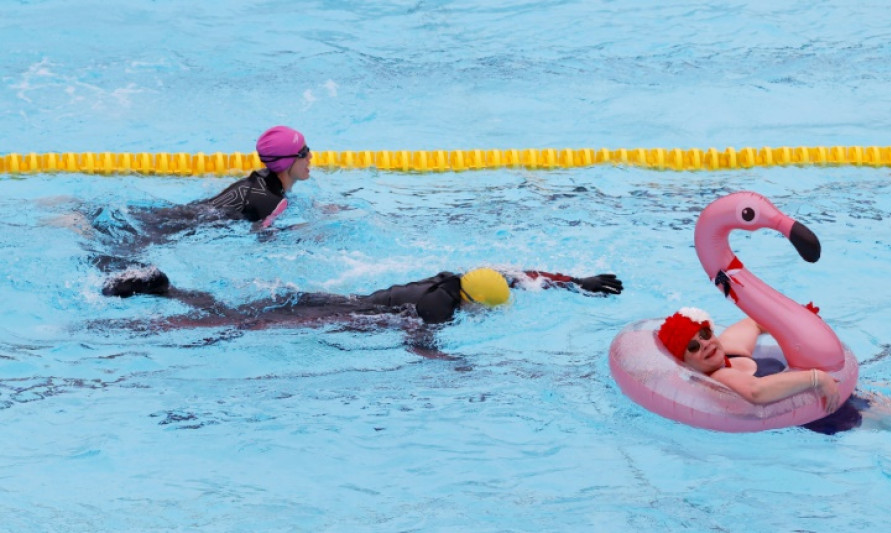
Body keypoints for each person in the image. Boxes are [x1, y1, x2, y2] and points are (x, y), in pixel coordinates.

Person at [98, 266, 623, 355]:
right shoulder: (442, 310)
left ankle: (162, 290)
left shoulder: (454, 279)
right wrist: (452, 368)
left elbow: (518, 274)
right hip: (333, 318)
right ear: (474, 304)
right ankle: (160, 306)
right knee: (238, 325)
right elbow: (419, 343)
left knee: (241, 309)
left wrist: (576, 283)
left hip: (334, 297)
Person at [95, 125, 313, 295]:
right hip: (184, 226)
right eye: (303, 152)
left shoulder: (259, 180)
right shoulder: (274, 201)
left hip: (183, 215)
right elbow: (263, 239)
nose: (310, 156)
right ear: (286, 162)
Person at [657, 307, 891, 434]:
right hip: (826, 414)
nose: (704, 345)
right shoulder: (721, 376)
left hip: (839, 391)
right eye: (692, 348)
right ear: (687, 363)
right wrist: (815, 379)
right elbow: (756, 392)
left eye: (705, 334)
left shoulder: (730, 349)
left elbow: (755, 321)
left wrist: (799, 322)